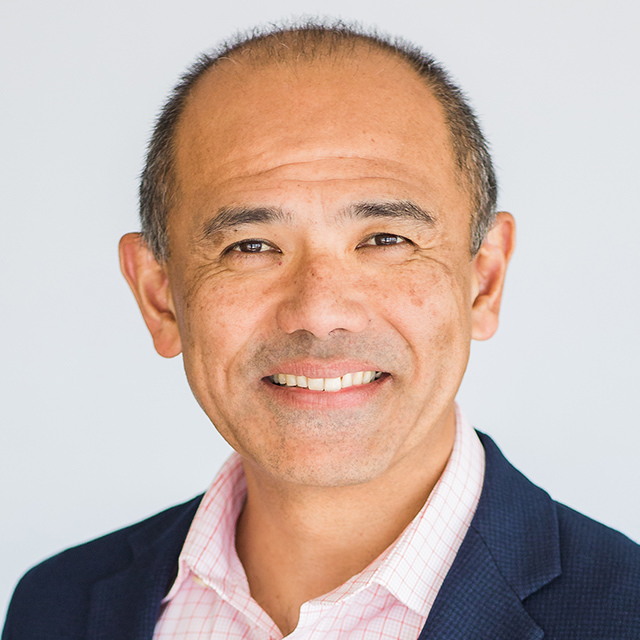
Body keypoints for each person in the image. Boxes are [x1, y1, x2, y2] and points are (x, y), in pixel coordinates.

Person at [3, 22, 639, 640]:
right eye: (251, 246)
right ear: (159, 296)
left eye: (385, 239)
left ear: (484, 280)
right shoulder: (56, 608)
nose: (319, 311)